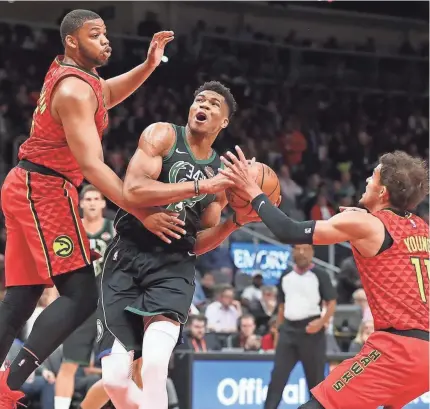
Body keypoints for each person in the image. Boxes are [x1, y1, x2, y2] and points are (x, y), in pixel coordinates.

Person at [0, 9, 178, 408]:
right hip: (42, 190)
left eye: (105, 34)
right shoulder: (74, 90)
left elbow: (107, 94)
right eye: (95, 34)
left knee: (22, 297)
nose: (105, 40)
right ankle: (6, 389)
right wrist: (140, 210)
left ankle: (1, 386)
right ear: (71, 40)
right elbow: (93, 166)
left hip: (30, 184)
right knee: (79, 295)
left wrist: (148, 65)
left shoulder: (82, 79)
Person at [220, 148, 429, 409]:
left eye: (373, 177)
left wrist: (253, 191)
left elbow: (288, 231)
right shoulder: (421, 226)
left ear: (383, 192)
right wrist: (361, 219)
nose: (366, 180)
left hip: (398, 350)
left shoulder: (367, 223)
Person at [96, 81, 257, 409]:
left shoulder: (221, 177)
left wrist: (235, 223)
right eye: (200, 100)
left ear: (223, 122)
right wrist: (198, 185)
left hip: (173, 265)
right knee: (114, 378)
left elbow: (197, 243)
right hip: (128, 253)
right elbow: (133, 189)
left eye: (214, 104)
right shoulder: (164, 136)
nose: (205, 105)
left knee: (154, 364)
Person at [55, 185, 114, 409]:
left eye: (96, 198)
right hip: (79, 306)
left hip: (107, 305)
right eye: (87, 198)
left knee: (116, 368)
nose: (91, 202)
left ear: (102, 203)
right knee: (68, 364)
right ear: (80, 203)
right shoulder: (72, 230)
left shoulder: (114, 229)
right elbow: (59, 269)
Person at [264, 244, 336, 409]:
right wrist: (278, 330)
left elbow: (331, 302)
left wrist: (321, 322)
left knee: (315, 381)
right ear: (293, 252)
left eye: (305, 249)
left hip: (311, 330)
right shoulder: (286, 275)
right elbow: (282, 306)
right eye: (298, 249)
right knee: (277, 377)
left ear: (312, 252)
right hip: (288, 330)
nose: (301, 252)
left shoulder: (320, 274)